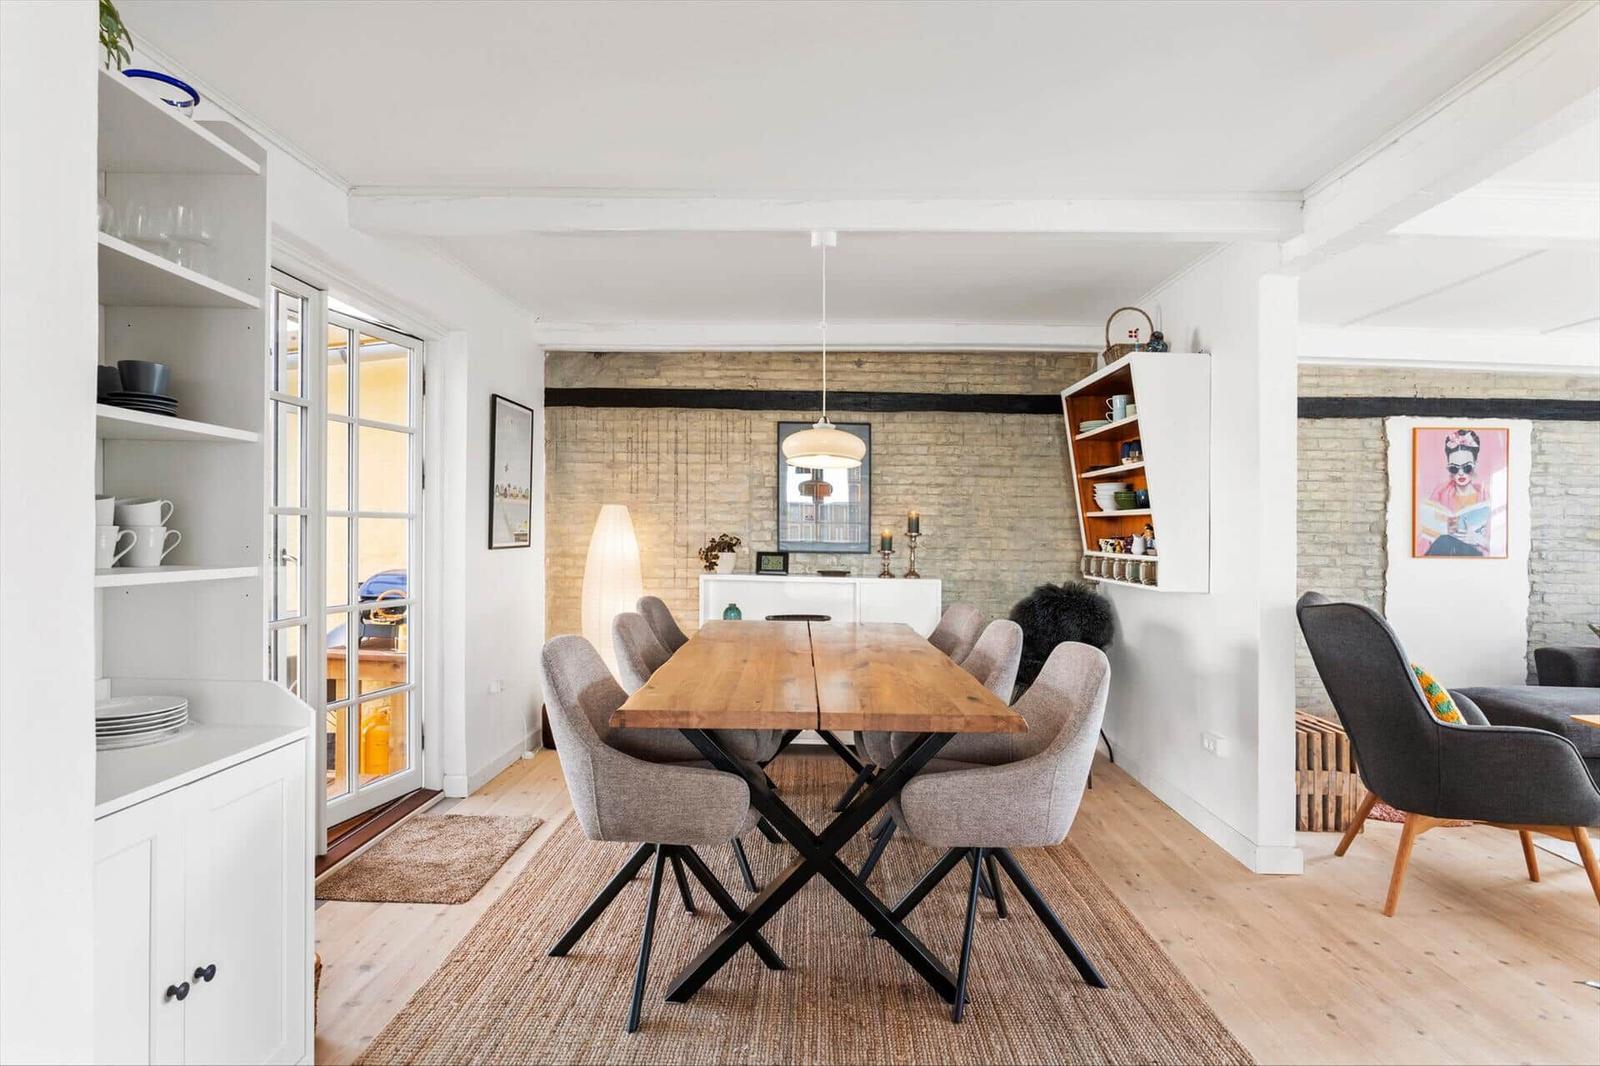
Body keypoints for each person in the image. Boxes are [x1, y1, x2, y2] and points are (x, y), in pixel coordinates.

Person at [1422, 429, 1491, 556]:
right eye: (1454, 468)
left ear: (1475, 465)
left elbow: (1499, 543)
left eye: (1467, 467)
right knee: (1444, 540)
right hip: (1445, 554)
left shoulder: (1485, 494)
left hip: (1475, 555)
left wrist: (1478, 539)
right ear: (1448, 468)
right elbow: (1427, 535)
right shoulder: (1440, 492)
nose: (1460, 473)